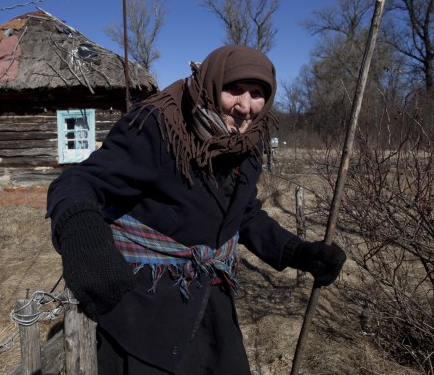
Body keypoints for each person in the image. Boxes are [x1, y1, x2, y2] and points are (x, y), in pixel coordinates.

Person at [46, 45, 346, 375]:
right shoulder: (158, 128)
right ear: (212, 84)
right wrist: (83, 233)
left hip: (210, 304)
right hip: (145, 309)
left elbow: (242, 214)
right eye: (234, 89)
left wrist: (297, 252)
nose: (245, 106)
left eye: (257, 94)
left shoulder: (248, 143)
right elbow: (78, 181)